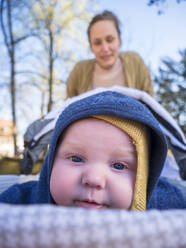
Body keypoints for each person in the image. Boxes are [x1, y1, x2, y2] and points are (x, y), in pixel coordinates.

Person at [0, 87, 185, 210]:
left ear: (144, 179)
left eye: (119, 166)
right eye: (76, 158)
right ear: (51, 160)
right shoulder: (20, 202)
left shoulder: (167, 204)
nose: (94, 179)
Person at [66, 10, 154, 99]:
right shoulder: (79, 71)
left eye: (110, 40)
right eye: (97, 43)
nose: (105, 48)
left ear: (119, 41)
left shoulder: (135, 61)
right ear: (91, 47)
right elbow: (68, 107)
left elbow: (150, 102)